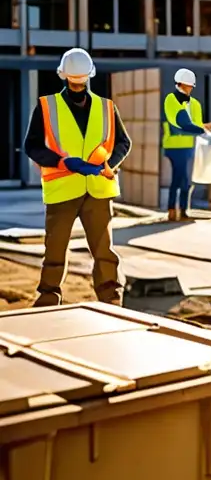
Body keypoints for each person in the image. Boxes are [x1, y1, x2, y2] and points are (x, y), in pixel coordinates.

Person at [23, 48, 132, 307]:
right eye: (75, 80)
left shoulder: (107, 108)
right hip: (63, 189)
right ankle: (49, 296)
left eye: (80, 80)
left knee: (104, 249)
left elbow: (123, 143)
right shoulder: (47, 106)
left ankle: (110, 296)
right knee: (55, 249)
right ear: (65, 78)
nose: (78, 84)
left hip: (98, 189)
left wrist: (108, 164)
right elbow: (33, 146)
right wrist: (62, 161)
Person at [162, 68, 211, 221]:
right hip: (174, 146)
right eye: (188, 85)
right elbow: (179, 125)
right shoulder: (171, 100)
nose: (190, 89)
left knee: (186, 180)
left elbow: (196, 126)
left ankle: (180, 210)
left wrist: (207, 128)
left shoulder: (195, 104)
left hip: (189, 146)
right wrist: (202, 128)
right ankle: (174, 210)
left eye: (191, 86)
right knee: (179, 178)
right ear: (180, 84)